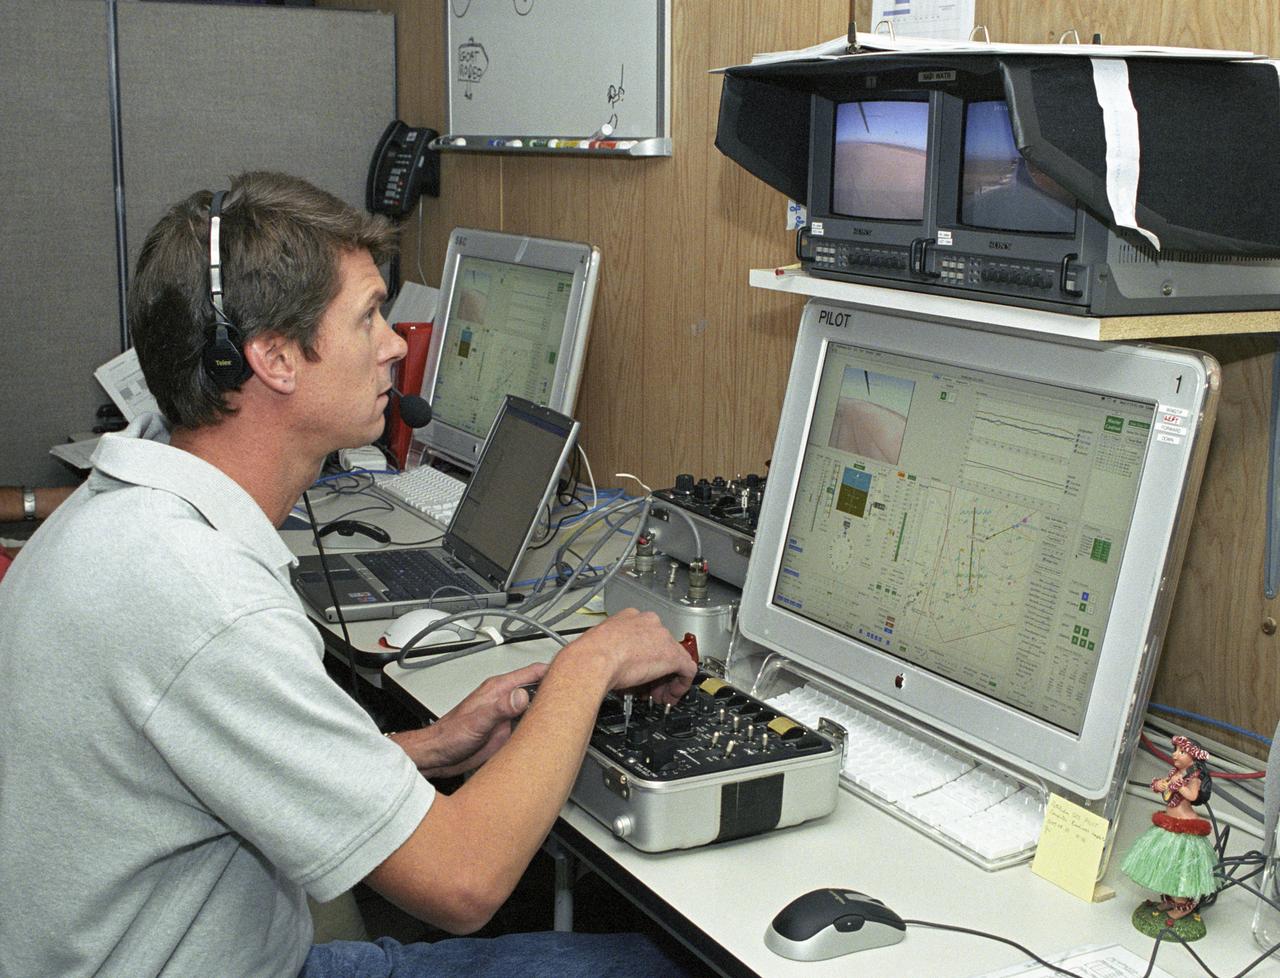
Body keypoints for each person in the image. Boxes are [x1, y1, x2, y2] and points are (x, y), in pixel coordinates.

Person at [0, 172, 698, 978]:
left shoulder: (118, 515)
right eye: (368, 316)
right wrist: (590, 663)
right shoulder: (205, 599)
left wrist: (424, 749)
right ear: (273, 358)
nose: (396, 344)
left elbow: (221, 760)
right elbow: (465, 881)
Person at [1120, 734, 1218, 938]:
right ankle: (1171, 900)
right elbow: (1162, 788)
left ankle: (1183, 905)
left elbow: (1193, 796)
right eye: (1175, 750)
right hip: (1169, 822)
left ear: (1193, 757)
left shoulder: (1194, 777)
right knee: (1165, 865)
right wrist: (1161, 785)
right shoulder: (1176, 772)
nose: (1175, 754)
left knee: (1179, 867)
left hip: (1183, 827)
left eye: (1182, 752)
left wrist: (1179, 785)